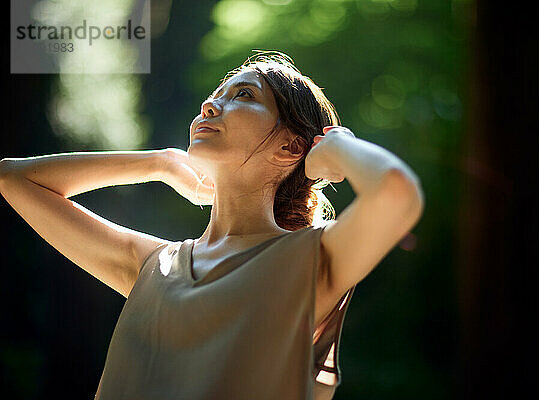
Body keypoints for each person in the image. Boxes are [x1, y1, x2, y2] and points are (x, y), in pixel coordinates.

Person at [0, 51, 424, 399]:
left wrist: (338, 146)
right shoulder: (152, 265)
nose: (209, 105)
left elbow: (396, 193)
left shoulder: (311, 261)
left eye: (243, 94)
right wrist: (158, 162)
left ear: (291, 146)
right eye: (215, 94)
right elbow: (14, 178)